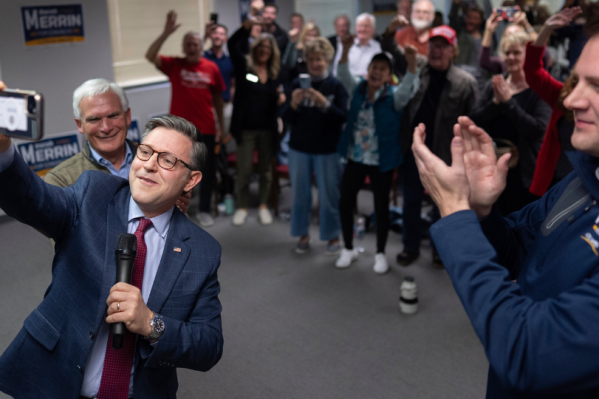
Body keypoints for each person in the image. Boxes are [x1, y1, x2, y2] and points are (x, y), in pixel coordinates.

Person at [410, 29, 599, 397]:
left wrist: (454, 212)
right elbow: (518, 254)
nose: (573, 98)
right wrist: (480, 211)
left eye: (597, 86)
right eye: (577, 81)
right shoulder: (584, 179)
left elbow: (528, 353)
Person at [0, 112, 223, 398]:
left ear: (191, 180)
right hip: (55, 383)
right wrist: (4, 148)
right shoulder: (93, 193)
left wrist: (151, 323)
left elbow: (209, 346)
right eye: (145, 152)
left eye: (167, 160)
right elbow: (32, 199)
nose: (149, 166)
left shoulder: (202, 250)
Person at [336, 35, 420, 273]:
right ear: (368, 69)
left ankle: (381, 253)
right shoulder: (358, 90)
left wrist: (412, 63)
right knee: (345, 201)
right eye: (374, 67)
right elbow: (343, 72)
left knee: (381, 207)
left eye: (383, 69)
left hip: (382, 160)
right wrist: (345, 48)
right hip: (356, 156)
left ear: (388, 75)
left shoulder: (393, 96)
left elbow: (409, 87)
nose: (377, 72)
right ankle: (348, 248)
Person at [396, 25, 478, 268]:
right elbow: (392, 50)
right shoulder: (417, 70)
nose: (437, 51)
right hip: (415, 151)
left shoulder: (466, 83)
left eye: (443, 46)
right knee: (410, 201)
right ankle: (410, 247)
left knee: (441, 205)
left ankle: (439, 250)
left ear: (453, 51)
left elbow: (474, 124)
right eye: (433, 45)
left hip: (444, 155)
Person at [45, 78, 191, 214]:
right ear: (80, 125)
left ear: (127, 116)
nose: (106, 127)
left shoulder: (162, 163)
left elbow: (180, 232)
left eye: (113, 116)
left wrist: (176, 217)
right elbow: (64, 239)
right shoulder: (61, 181)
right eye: (94, 119)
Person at [146, 10, 226, 227]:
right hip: (180, 131)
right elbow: (149, 55)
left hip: (206, 129)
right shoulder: (175, 65)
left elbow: (218, 99)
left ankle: (204, 209)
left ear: (202, 46)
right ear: (184, 47)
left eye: (195, 44)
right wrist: (165, 33)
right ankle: (176, 209)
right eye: (188, 44)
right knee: (177, 172)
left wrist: (221, 126)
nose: (192, 47)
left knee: (206, 173)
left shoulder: (212, 68)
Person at [470, 31, 551, 215]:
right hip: (492, 169)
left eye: (516, 52)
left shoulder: (538, 89)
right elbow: (474, 119)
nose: (511, 57)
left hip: (524, 174)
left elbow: (538, 130)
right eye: (507, 53)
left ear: (527, 56)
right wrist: (496, 104)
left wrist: (509, 103)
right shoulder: (494, 85)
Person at [283, 37, 349, 254]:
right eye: (311, 59)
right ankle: (302, 235)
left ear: (328, 60)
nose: (315, 63)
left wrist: (324, 103)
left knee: (329, 195)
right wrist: (293, 104)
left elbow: (343, 118)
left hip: (327, 149)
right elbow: (287, 118)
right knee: (300, 195)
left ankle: (332, 236)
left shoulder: (335, 85)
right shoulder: (296, 84)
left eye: (319, 59)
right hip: (299, 147)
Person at [228, 18, 286, 226]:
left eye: (267, 47)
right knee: (243, 170)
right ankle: (242, 206)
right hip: (246, 129)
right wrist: (247, 26)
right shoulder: (244, 66)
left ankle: (263, 205)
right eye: (260, 45)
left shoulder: (275, 73)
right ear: (254, 48)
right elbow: (231, 44)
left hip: (267, 130)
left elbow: (279, 97)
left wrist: (281, 99)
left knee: (266, 171)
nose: (263, 50)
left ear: (272, 51)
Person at [526, 7, 582, 197]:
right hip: (555, 185)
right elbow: (533, 71)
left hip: (587, 187)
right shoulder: (563, 95)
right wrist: (546, 30)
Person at [449, 1, 484, 68]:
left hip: (480, 76)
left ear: (481, 21)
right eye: (469, 17)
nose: (471, 21)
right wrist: (455, 4)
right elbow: (453, 19)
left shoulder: (485, 37)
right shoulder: (460, 32)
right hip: (460, 72)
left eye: (475, 18)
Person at [348, 13, 382, 78]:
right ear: (356, 28)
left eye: (366, 26)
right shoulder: (347, 46)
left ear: (373, 30)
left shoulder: (378, 47)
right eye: (360, 26)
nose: (362, 29)